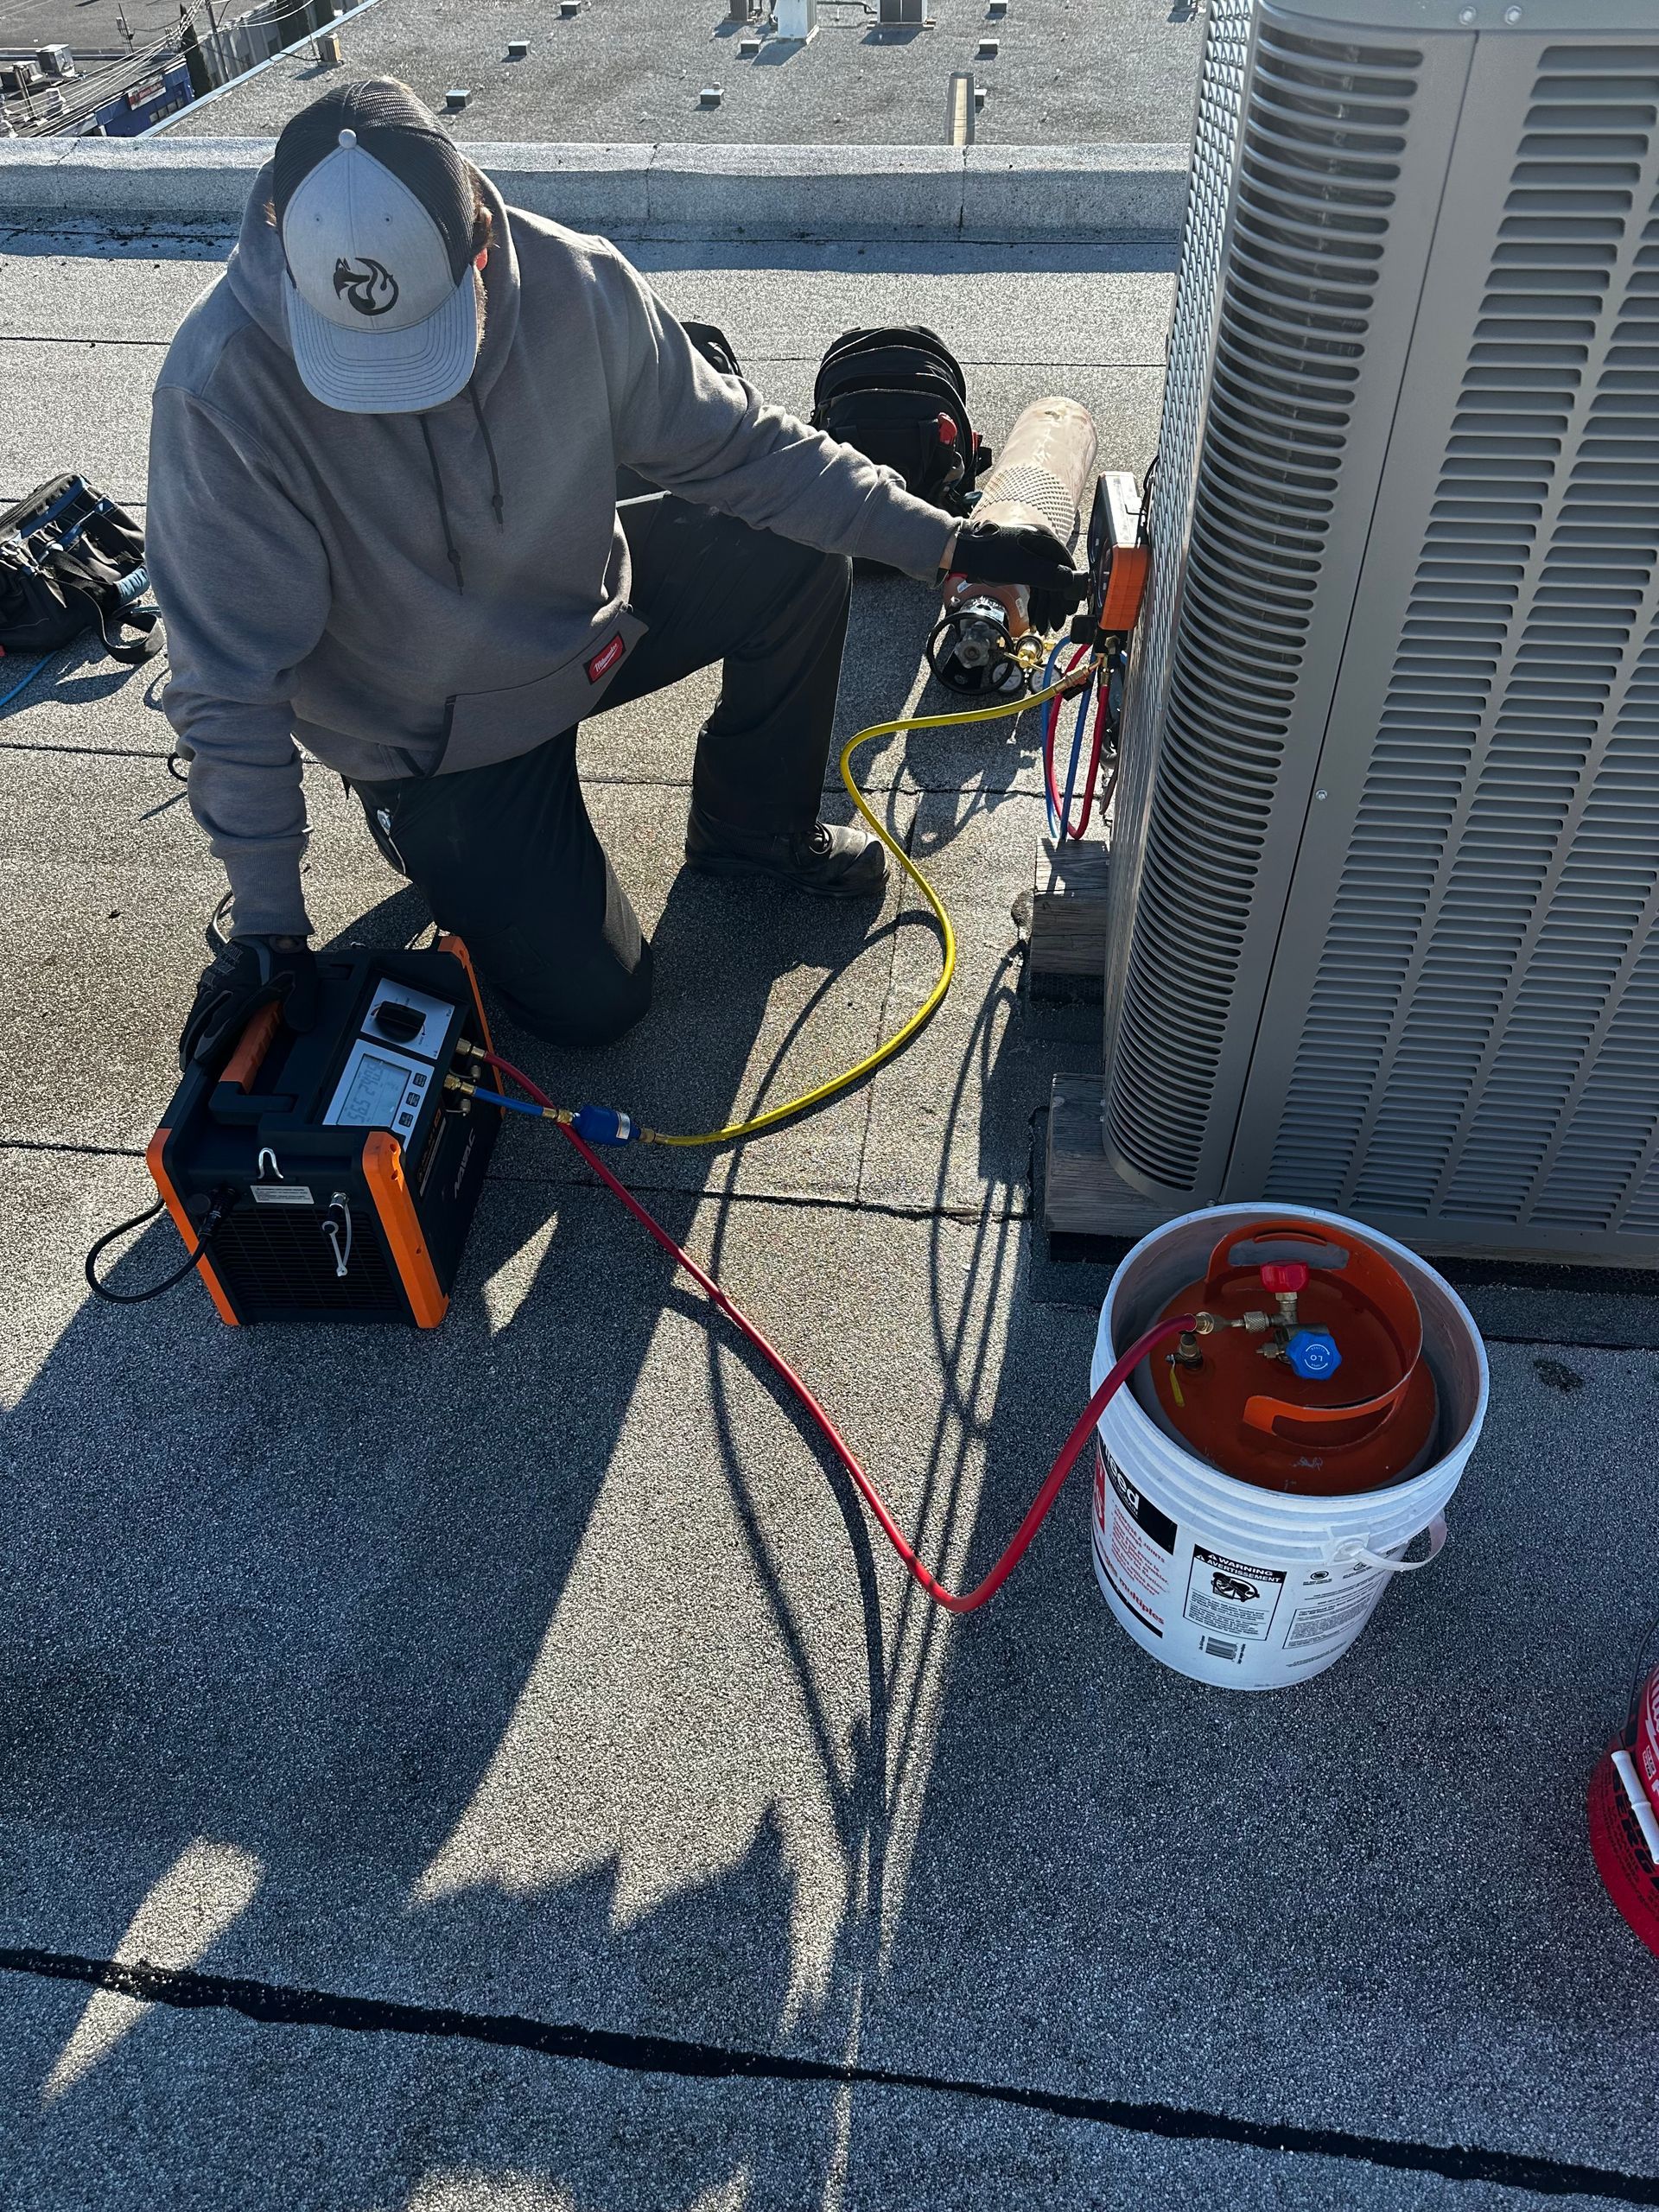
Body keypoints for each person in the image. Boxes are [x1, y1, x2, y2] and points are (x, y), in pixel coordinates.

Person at [149, 79, 1085, 1066]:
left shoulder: (574, 284)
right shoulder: (222, 391)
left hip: (582, 620)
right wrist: (268, 927)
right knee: (598, 1008)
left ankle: (753, 831)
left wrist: (949, 545)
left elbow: (745, 450)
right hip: (427, 738)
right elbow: (226, 681)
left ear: (479, 238)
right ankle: (415, 827)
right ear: (278, 242)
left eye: (424, 346)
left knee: (797, 547)